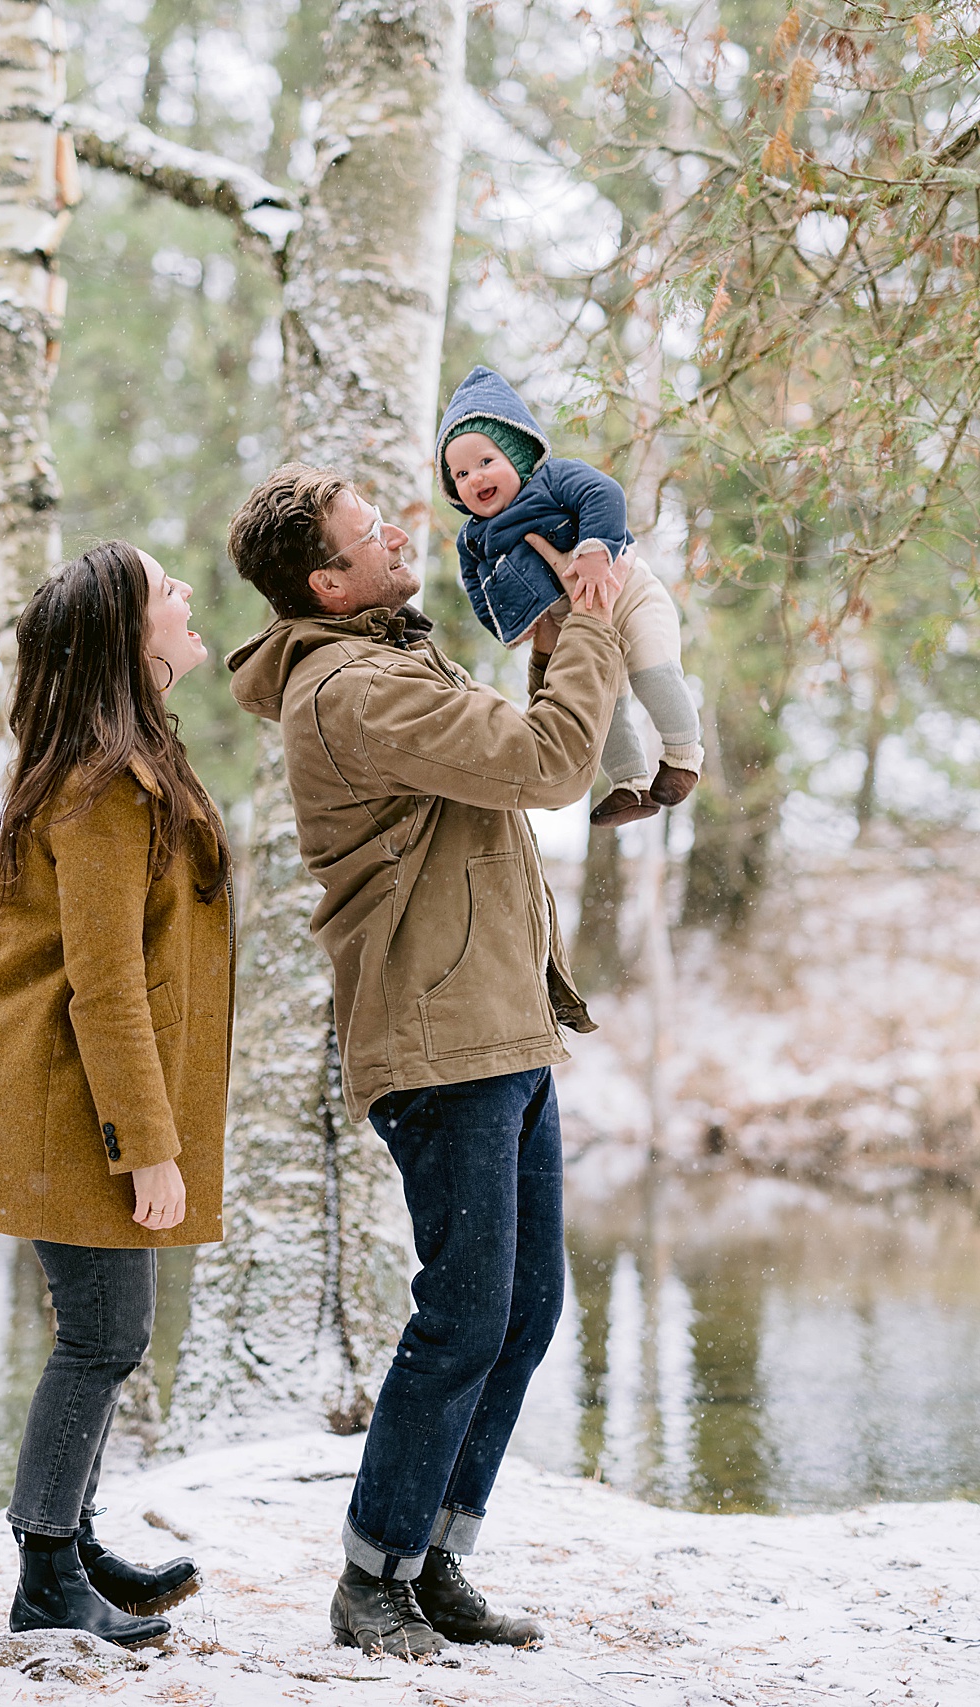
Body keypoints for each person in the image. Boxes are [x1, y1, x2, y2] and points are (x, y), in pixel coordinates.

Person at [225, 464, 625, 1659]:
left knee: (525, 1308)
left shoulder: (391, 659)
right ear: (325, 581)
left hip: (497, 1023)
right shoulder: (350, 689)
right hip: (441, 1038)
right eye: (367, 531)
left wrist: (553, 632)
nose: (399, 530)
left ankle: (435, 1557)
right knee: (461, 1316)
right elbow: (549, 764)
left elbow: (511, 761)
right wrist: (587, 630)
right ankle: (369, 1581)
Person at [0, 541, 234, 1650]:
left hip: (78, 1096)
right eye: (168, 591)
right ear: (126, 635)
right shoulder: (104, 785)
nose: (187, 595)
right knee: (103, 1337)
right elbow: (105, 987)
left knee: (107, 1331)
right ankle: (47, 1575)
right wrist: (145, 1148)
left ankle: (70, 1538)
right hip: (72, 1101)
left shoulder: (128, 762)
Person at [438, 364, 704, 828]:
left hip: (627, 593)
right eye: (460, 473)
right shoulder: (474, 539)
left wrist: (596, 550)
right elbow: (477, 588)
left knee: (653, 672)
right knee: (604, 706)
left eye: (486, 461)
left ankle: (683, 756)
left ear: (518, 454)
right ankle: (630, 785)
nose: (474, 478)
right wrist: (509, 627)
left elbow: (604, 494)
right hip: (575, 626)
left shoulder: (553, 479)